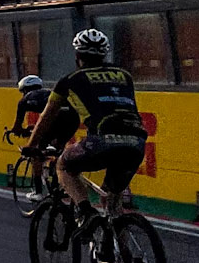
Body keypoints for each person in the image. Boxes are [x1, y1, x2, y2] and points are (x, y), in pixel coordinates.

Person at [25, 29, 148, 236]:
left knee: (63, 166)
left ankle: (85, 211)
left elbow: (46, 117)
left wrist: (31, 145)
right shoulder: (124, 76)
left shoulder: (70, 80)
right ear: (104, 54)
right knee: (112, 199)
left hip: (102, 141)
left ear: (77, 55)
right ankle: (121, 255)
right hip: (136, 143)